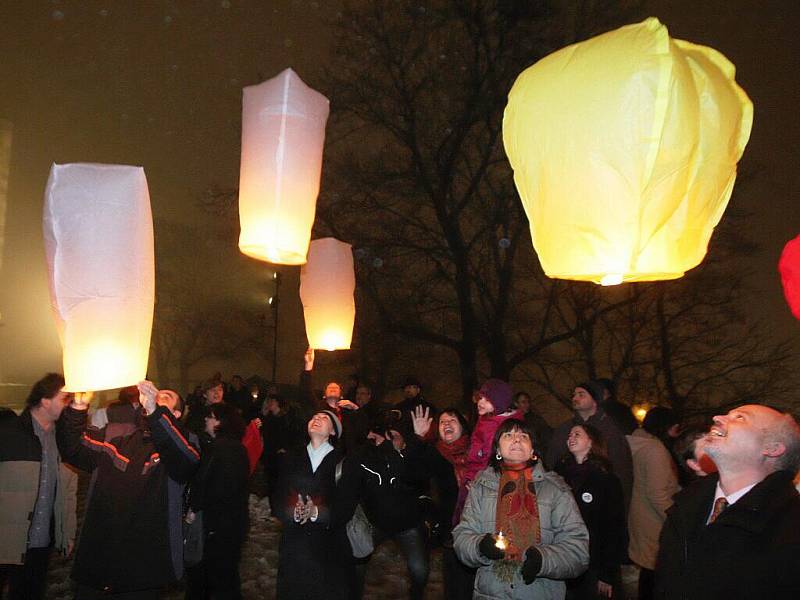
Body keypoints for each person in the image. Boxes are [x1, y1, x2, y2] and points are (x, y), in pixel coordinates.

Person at [57, 381, 200, 599]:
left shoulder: (185, 442)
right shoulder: (117, 435)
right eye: (156, 394)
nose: (157, 395)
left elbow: (185, 462)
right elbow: (72, 449)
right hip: (99, 557)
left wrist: (155, 412)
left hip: (143, 567)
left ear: (177, 413)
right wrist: (77, 408)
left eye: (166, 397)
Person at [655, 404, 800, 598]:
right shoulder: (685, 506)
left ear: (772, 448)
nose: (717, 418)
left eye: (740, 418)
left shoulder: (790, 528)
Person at [453, 418, 590, 599]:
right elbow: (462, 536)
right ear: (498, 450)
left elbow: (578, 549)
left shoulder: (555, 489)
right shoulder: (482, 486)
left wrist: (543, 560)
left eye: (523, 436)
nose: (516, 440)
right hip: (491, 593)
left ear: (533, 450)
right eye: (508, 435)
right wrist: (480, 546)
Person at [336, 410, 447, 600]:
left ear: (404, 442)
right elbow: (352, 486)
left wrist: (418, 440)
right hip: (374, 523)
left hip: (407, 525)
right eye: (381, 436)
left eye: (393, 437)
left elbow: (418, 473)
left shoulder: (410, 460)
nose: (385, 441)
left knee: (419, 570)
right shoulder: (368, 459)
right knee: (356, 561)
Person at [0, 373, 77, 600]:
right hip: (5, 536)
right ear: (45, 400)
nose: (71, 403)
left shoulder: (65, 440)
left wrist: (67, 531)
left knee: (29, 594)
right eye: (65, 398)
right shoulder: (8, 433)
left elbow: (70, 491)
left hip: (41, 540)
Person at [275, 409, 346, 600]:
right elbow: (278, 494)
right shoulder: (291, 456)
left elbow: (346, 504)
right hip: (293, 543)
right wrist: (292, 511)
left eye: (324, 418)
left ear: (333, 432)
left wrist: (317, 512)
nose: (316, 419)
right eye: (313, 417)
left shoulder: (343, 462)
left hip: (326, 545)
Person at [185, 403, 250, 600]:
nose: (207, 419)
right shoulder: (226, 447)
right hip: (226, 524)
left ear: (221, 422)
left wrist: (195, 506)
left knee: (221, 578)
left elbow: (216, 485)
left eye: (212, 416)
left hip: (221, 526)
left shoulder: (226, 449)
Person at [555, 424, 626, 599]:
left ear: (591, 442)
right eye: (570, 434)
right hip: (564, 556)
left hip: (593, 561)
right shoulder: (558, 474)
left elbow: (613, 528)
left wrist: (606, 574)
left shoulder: (606, 479)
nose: (571, 438)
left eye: (577, 434)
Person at [546, 381, 633, 510]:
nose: (575, 398)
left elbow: (622, 470)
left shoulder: (610, 430)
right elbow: (551, 463)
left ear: (595, 400)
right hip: (568, 503)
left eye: (581, 394)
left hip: (602, 503)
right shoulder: (564, 429)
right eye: (574, 395)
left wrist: (621, 506)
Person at [627, 408, 679, 600]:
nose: (676, 434)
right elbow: (657, 494)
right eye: (675, 429)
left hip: (641, 515)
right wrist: (676, 518)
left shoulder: (637, 443)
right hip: (653, 521)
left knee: (648, 573)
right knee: (654, 573)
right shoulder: (655, 450)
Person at [457, 379, 522, 519]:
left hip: (488, 485)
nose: (480, 402)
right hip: (474, 478)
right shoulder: (486, 420)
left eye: (487, 399)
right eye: (480, 398)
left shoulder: (505, 427)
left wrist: (478, 482)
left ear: (499, 402)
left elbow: (492, 460)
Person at [300, 348, 361, 452]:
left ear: (341, 396)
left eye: (336, 388)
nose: (333, 388)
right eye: (329, 388)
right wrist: (308, 366)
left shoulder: (348, 413)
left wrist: (356, 408)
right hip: (323, 451)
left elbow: (361, 430)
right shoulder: (318, 408)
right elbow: (306, 391)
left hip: (344, 455)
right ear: (324, 396)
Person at [513, 391, 553, 461]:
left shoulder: (536, 420)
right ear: (516, 404)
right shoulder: (511, 420)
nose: (527, 405)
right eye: (523, 402)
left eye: (528, 402)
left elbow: (546, 438)